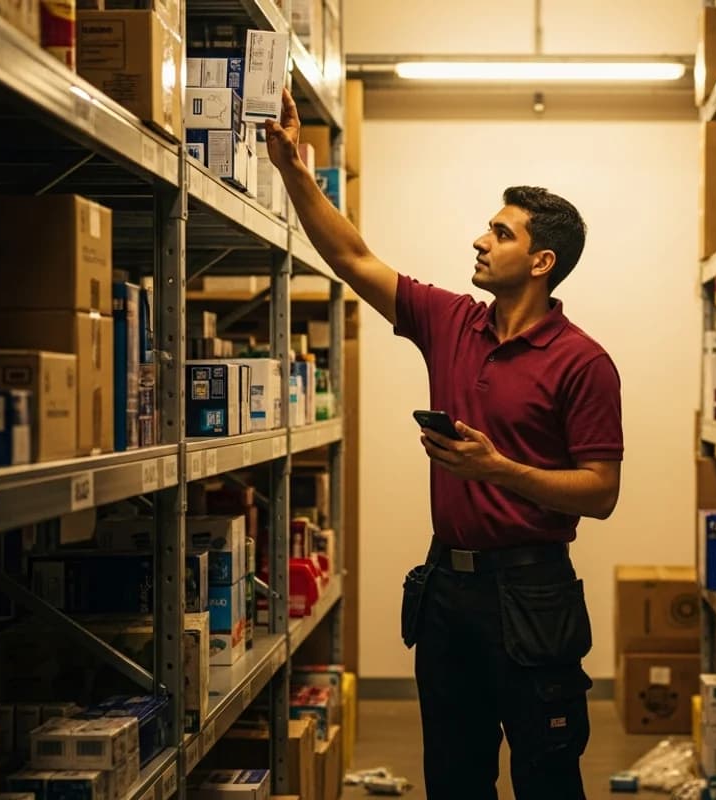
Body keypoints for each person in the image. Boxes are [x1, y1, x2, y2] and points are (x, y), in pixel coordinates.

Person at [265, 89, 624, 799]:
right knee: (454, 779)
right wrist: (294, 170)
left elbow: (602, 493)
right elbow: (352, 257)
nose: (479, 240)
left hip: (533, 592)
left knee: (547, 778)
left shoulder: (584, 361)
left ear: (542, 260)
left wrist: (501, 470)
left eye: (500, 232)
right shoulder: (453, 322)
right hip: (447, 591)